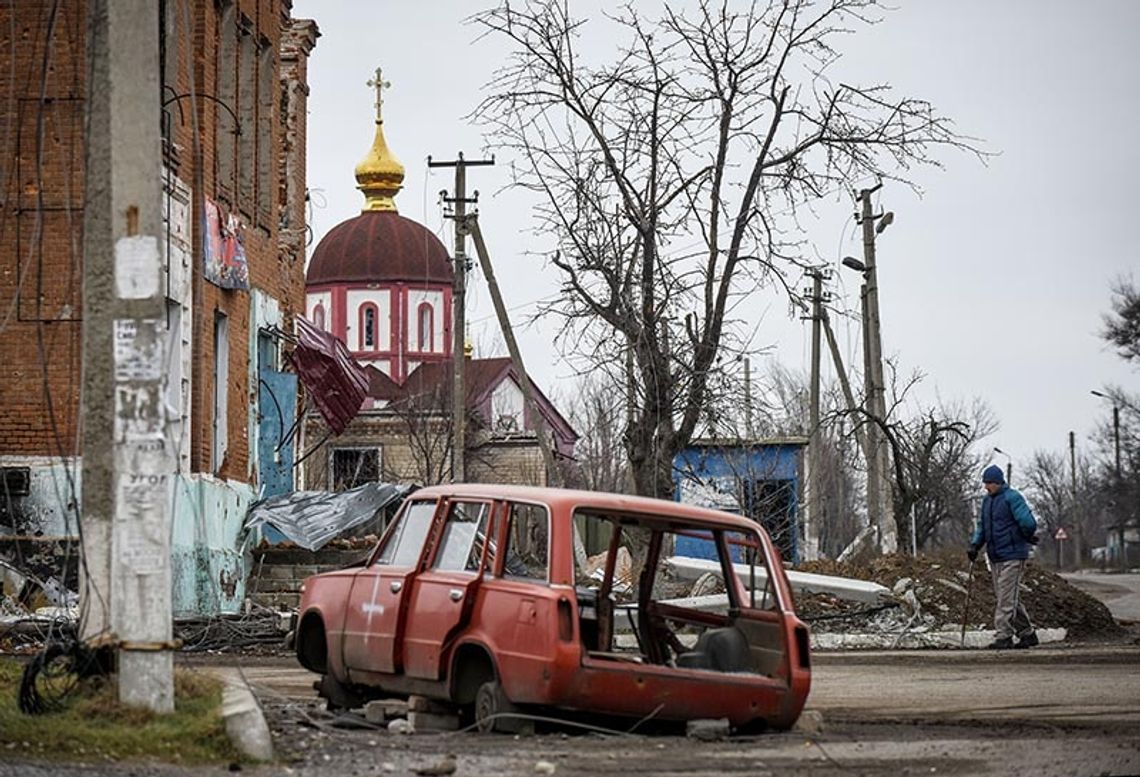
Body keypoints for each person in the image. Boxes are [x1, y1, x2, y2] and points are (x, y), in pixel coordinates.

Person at [968, 464, 1040, 649]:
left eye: (989, 483)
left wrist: (1025, 535)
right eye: (985, 483)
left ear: (999, 482)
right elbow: (982, 526)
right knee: (1006, 597)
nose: (986, 486)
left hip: (1013, 554)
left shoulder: (1012, 497)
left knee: (1005, 598)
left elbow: (1028, 522)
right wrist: (975, 545)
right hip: (995, 555)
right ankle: (1027, 634)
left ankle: (1004, 636)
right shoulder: (987, 502)